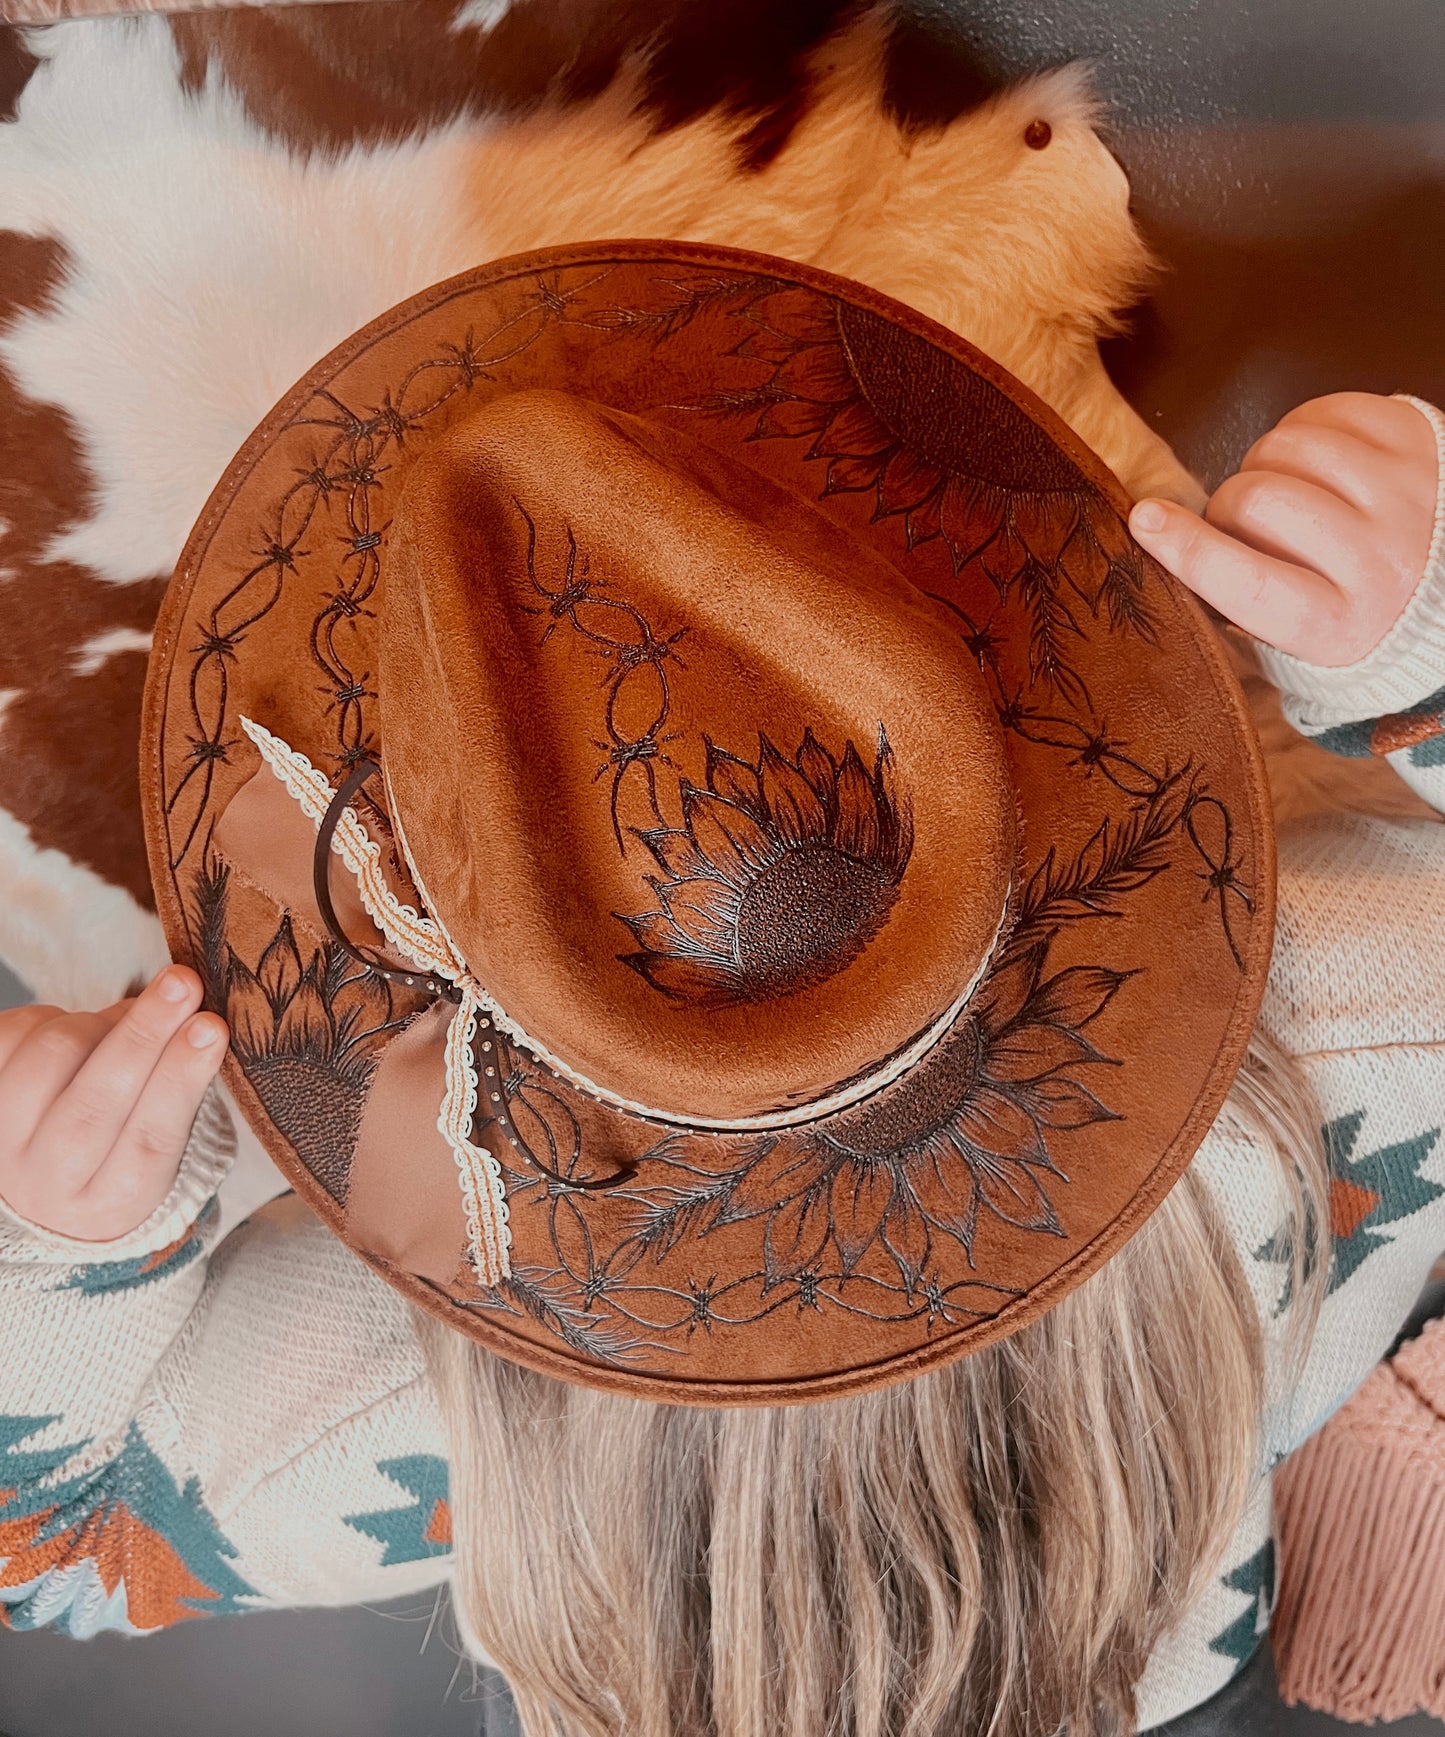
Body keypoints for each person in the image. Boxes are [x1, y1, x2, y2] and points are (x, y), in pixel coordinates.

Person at [0, 373, 1441, 1737]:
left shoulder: (415, 1381)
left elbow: (54, 1547)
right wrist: (1415, 655)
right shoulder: (1351, 1022)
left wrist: (64, 1254)